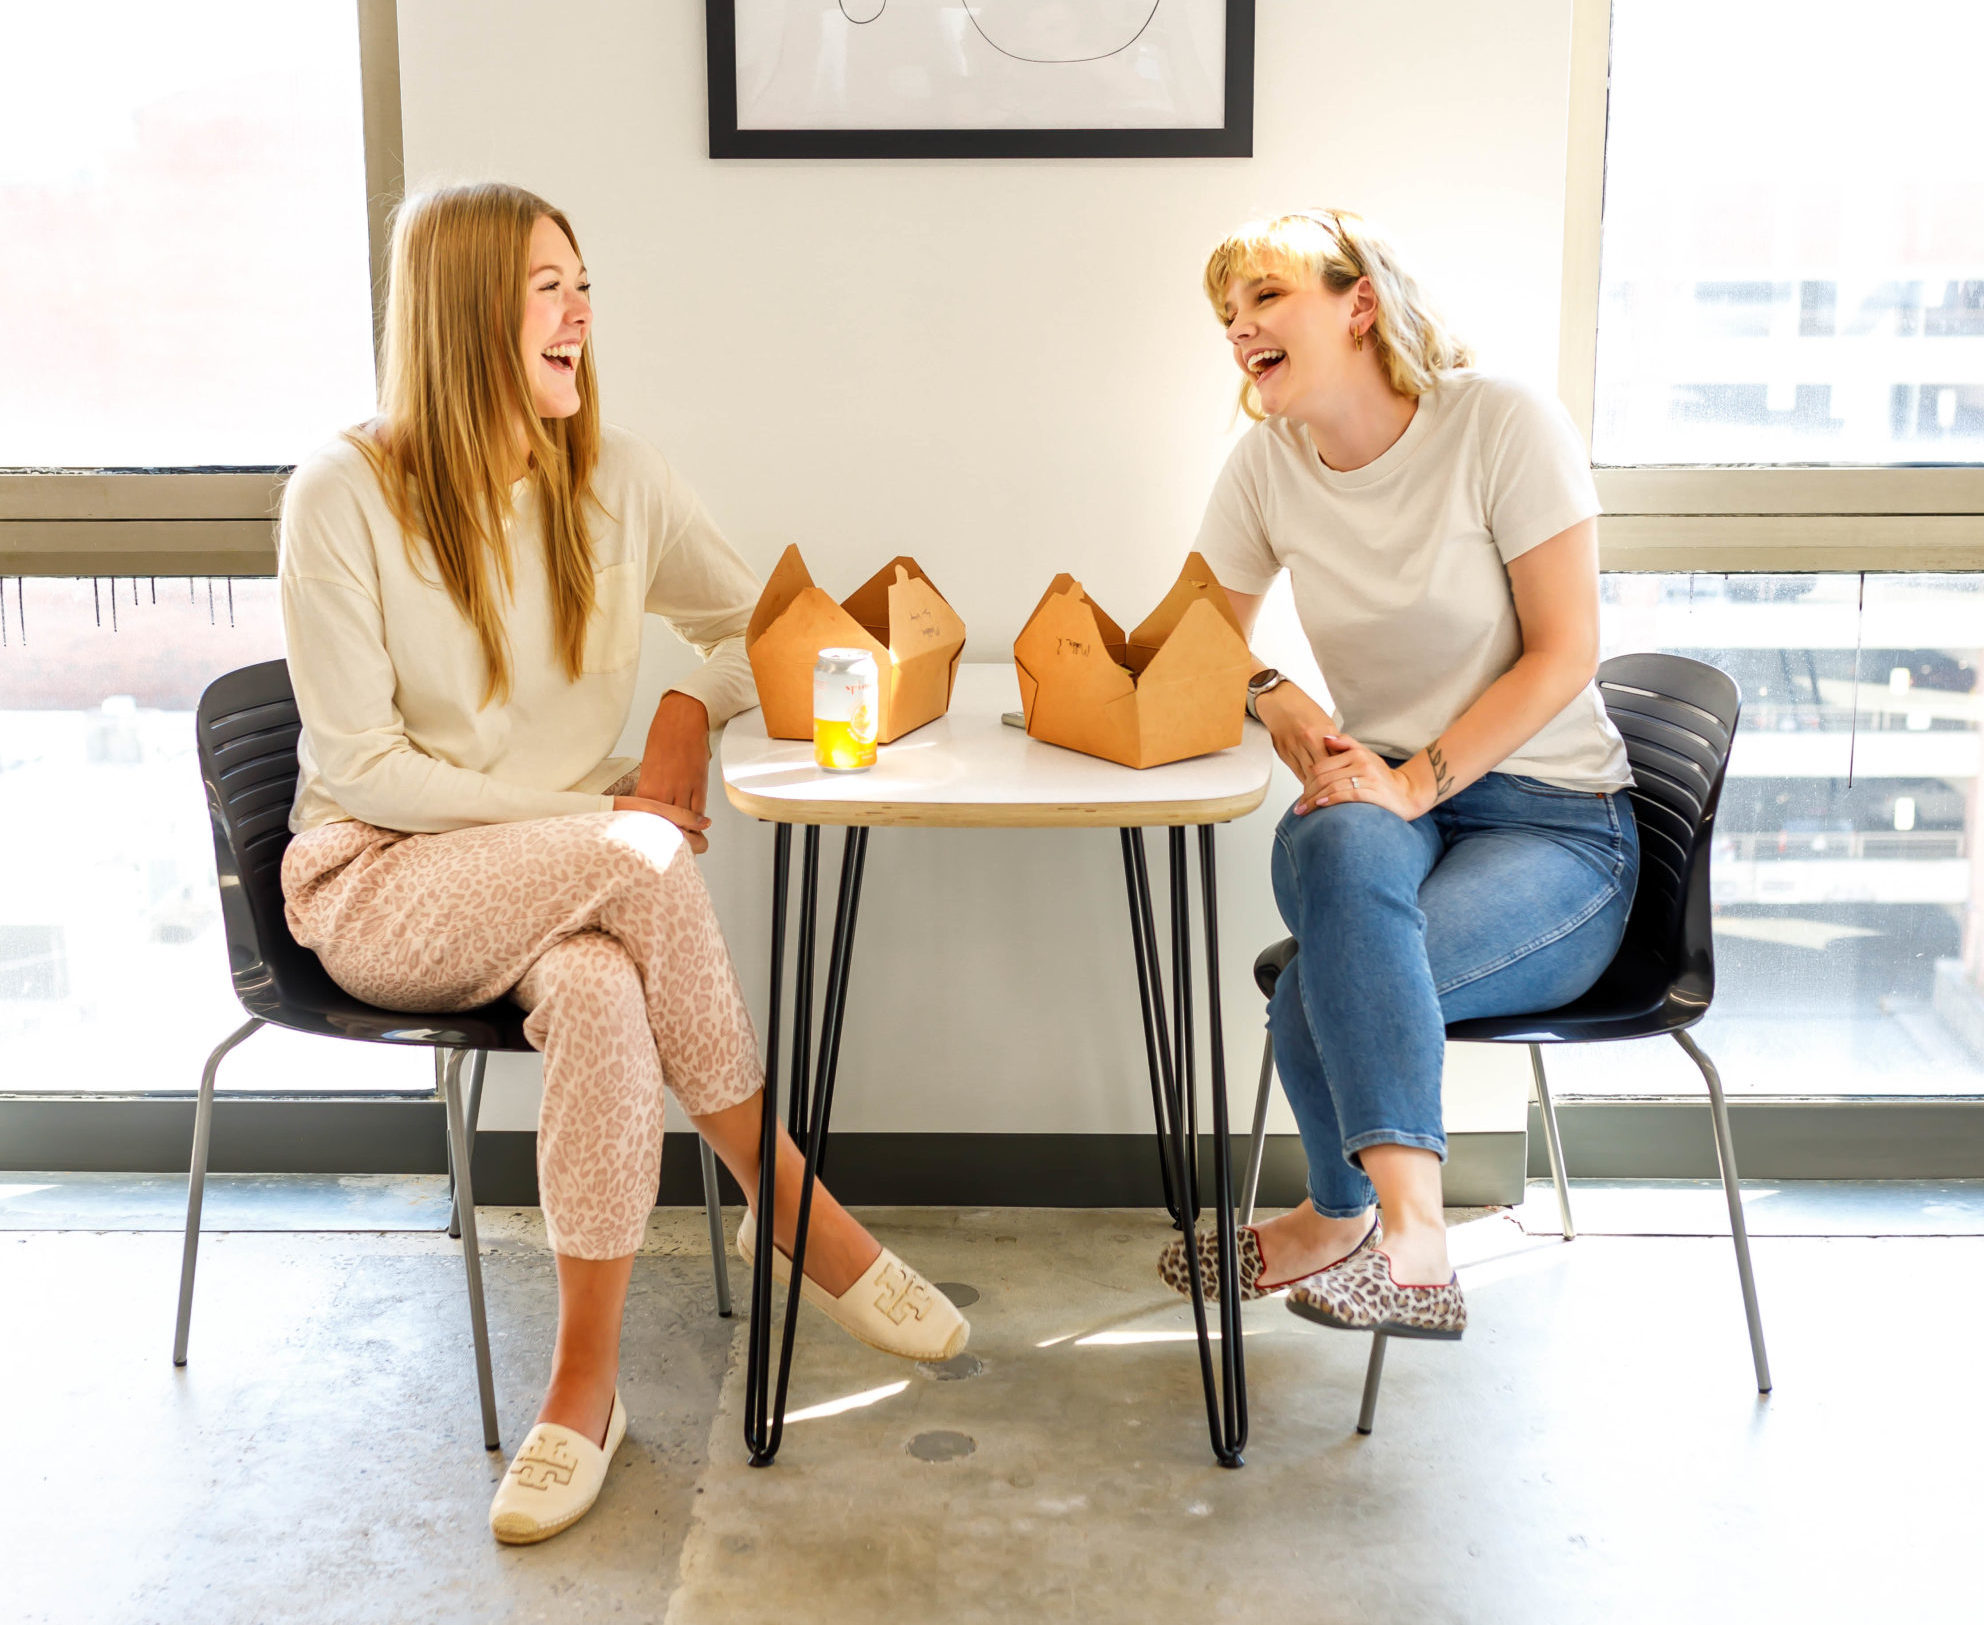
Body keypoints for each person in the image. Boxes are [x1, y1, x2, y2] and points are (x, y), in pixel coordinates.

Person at [277, 182, 966, 1545]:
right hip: (377, 878)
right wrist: (592, 820)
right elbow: (357, 765)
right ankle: (795, 1204)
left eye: (582, 281)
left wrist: (674, 712)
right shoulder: (343, 494)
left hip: (558, 889)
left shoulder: (616, 480)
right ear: (465, 308)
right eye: (547, 284)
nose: (581, 310)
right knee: (640, 857)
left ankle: (580, 1396)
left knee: (599, 990)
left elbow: (765, 631)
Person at [1158, 209, 1639, 1345]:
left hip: (1559, 825)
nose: (1240, 329)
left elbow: (1564, 647)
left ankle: (1381, 1232)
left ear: (1358, 301)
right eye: (1228, 313)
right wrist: (1272, 689)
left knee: (1325, 984)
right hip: (1387, 798)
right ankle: (1373, 1233)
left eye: (1265, 298)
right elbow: (1190, 627)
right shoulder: (1269, 466)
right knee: (1331, 837)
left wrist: (1418, 780)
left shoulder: (1500, 424)